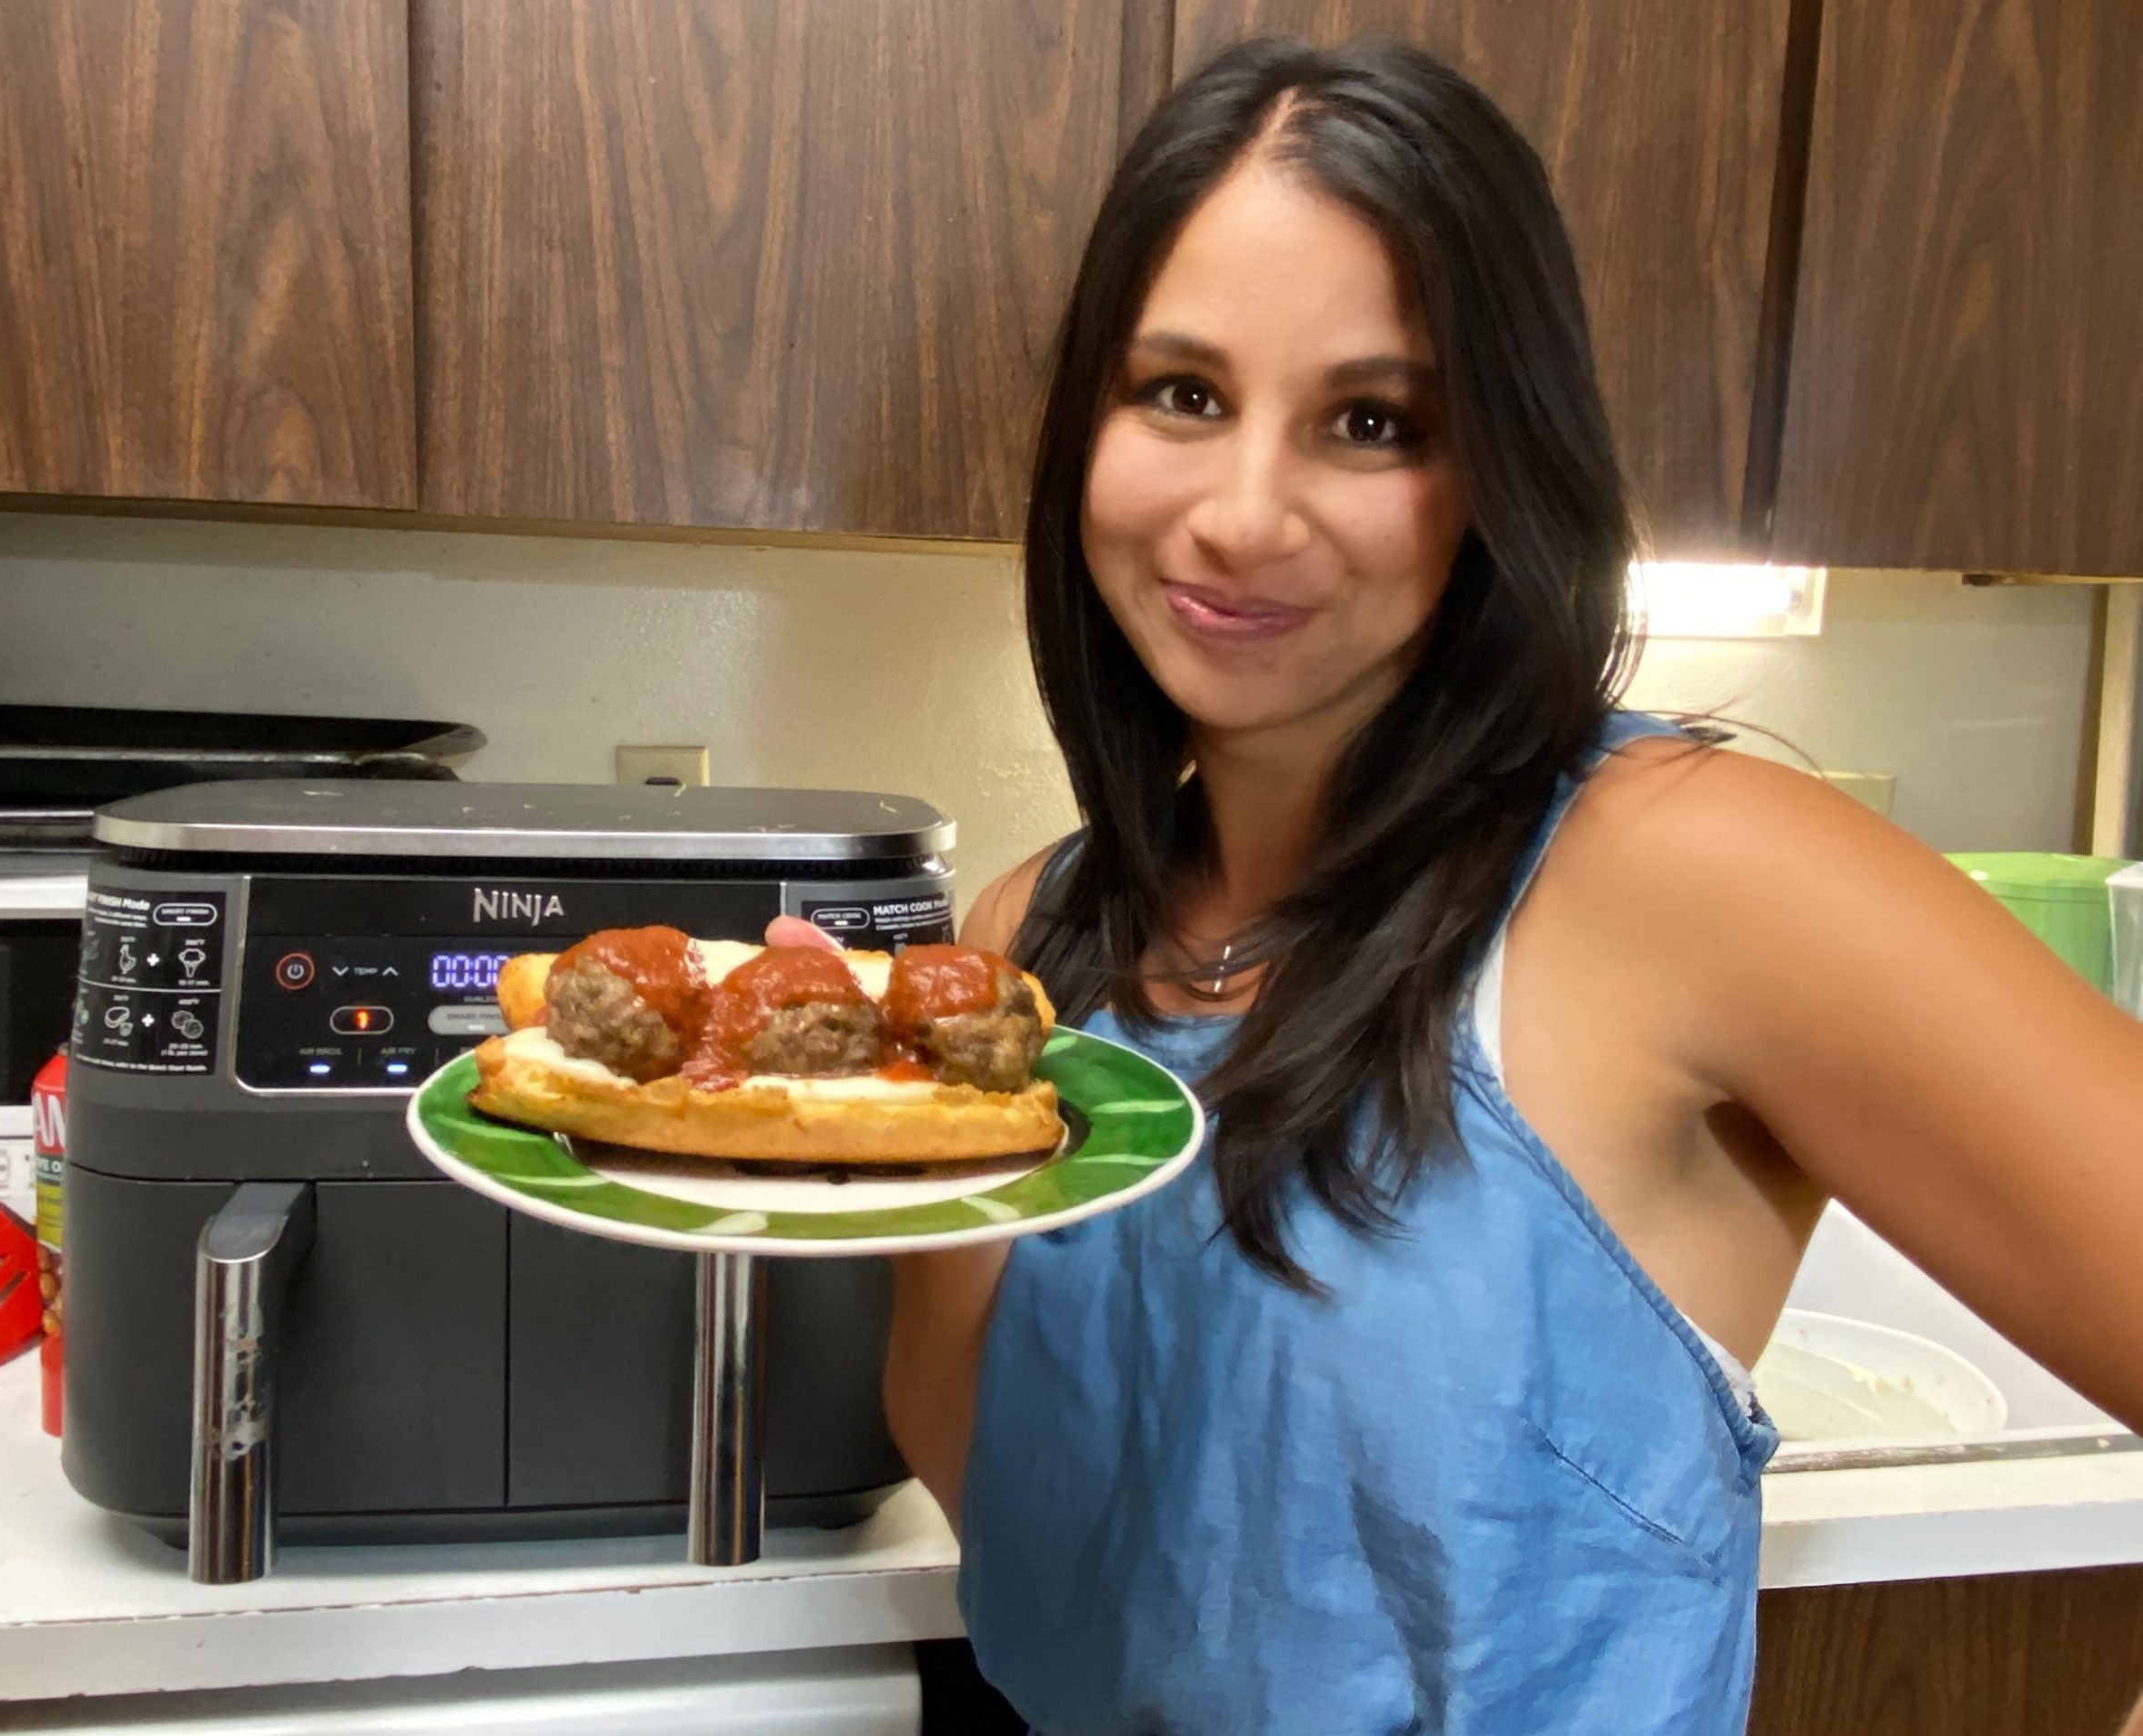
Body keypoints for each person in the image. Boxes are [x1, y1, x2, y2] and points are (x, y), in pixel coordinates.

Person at [781, 36, 2143, 1733]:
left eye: (1371, 421)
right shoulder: (1034, 933)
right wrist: (865, 1143)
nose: (1242, 514)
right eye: (1182, 394)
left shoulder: (1694, 874)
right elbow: (1045, 1526)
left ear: (1501, 463)